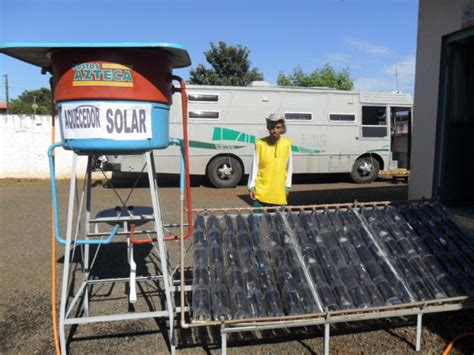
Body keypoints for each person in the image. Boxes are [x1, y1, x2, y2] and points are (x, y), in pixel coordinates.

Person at [248, 113, 293, 207]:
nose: (274, 130)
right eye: (272, 127)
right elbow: (255, 166)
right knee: (256, 219)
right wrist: (251, 186)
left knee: (279, 220)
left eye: (278, 127)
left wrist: (287, 186)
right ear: (268, 128)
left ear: (282, 129)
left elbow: (289, 167)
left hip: (279, 190)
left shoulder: (287, 144)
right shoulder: (260, 143)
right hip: (261, 190)